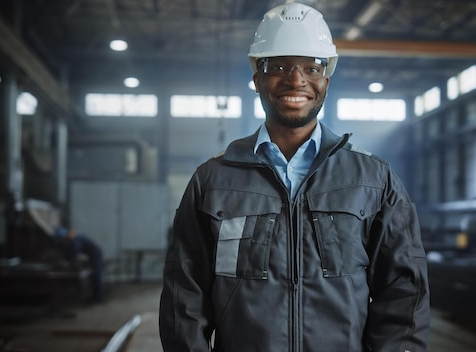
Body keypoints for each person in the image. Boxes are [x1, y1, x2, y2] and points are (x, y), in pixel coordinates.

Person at [159, 2, 430, 351]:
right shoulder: (213, 180)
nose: (296, 79)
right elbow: (185, 298)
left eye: (311, 67)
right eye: (279, 66)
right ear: (257, 79)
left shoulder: (373, 179)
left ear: (326, 82)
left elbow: (404, 292)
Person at [54, 226, 105, 303]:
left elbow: (74, 250)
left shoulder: (75, 239)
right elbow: (71, 250)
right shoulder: (74, 239)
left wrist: (66, 261)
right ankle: (95, 296)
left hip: (95, 254)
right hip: (92, 255)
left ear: (65, 236)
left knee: (96, 274)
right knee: (93, 275)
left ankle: (99, 298)